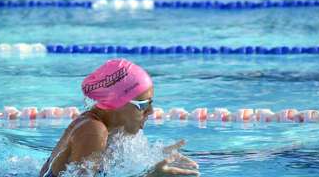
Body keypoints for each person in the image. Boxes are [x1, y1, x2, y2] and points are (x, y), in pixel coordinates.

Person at [39, 59, 199, 177]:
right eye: (143, 105)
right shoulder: (93, 131)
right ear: (116, 103)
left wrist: (157, 157)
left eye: (151, 104)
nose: (151, 112)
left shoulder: (109, 131)